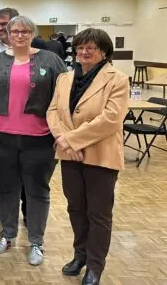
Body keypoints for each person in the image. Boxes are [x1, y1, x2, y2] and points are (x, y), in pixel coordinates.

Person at [47, 28, 129, 285]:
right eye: (80, 47)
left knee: (98, 214)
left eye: (90, 48)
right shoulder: (64, 78)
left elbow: (111, 119)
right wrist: (64, 140)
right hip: (70, 156)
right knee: (76, 208)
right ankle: (79, 255)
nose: (83, 52)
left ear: (104, 52)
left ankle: (95, 266)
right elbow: (53, 111)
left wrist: (70, 139)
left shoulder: (117, 80)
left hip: (101, 156)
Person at [0, 15, 66, 266]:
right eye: (15, 31)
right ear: (8, 34)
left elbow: (64, 98)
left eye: (25, 31)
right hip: (1, 137)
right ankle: (7, 234)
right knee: (6, 188)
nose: (19, 35)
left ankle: (36, 242)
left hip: (40, 139)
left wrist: (62, 132)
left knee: (37, 191)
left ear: (33, 34)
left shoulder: (50, 60)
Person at [0, 7, 45, 228]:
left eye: (23, 31)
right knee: (0, 175)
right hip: (0, 128)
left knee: (31, 177)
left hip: (35, 131)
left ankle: (28, 213)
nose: (0, 29)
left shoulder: (45, 54)